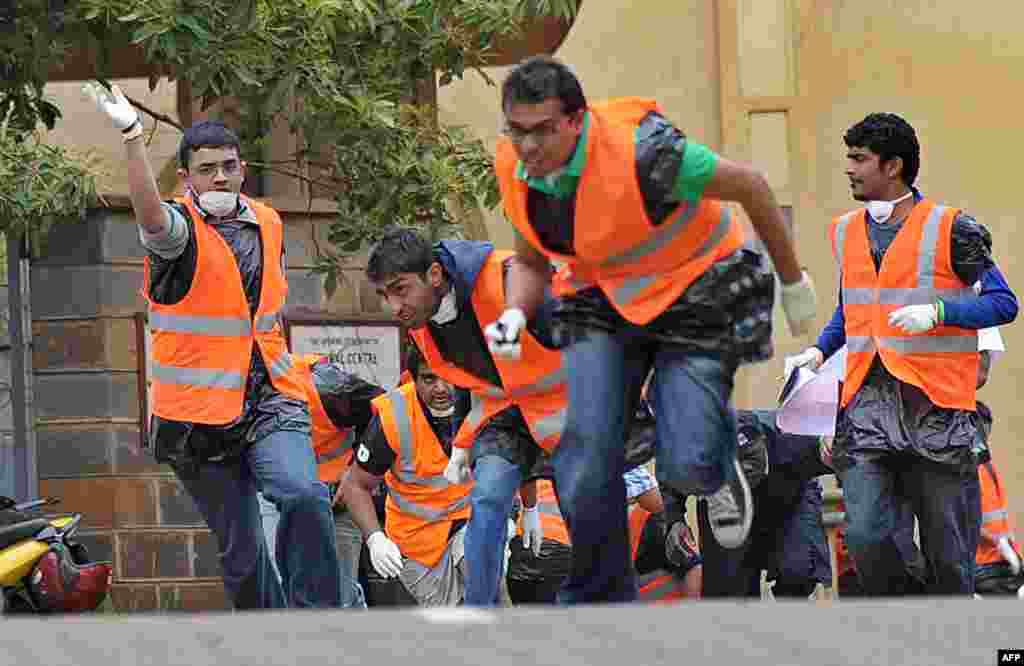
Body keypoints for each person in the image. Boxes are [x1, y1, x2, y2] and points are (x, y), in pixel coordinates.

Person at [486, 55, 817, 604]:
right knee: (585, 457)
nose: (528, 147)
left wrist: (793, 283)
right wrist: (517, 312)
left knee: (685, 459)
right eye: (516, 131)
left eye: (542, 130)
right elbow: (530, 259)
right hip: (607, 301)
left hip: (694, 289)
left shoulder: (649, 155)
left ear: (575, 120)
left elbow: (753, 186)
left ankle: (718, 458)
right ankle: (601, 603)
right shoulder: (518, 169)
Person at [82, 83, 342, 609]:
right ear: (187, 179)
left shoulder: (268, 223)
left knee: (304, 495)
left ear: (243, 168)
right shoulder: (180, 231)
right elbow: (151, 218)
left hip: (269, 396)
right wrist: (134, 138)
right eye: (206, 169)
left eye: (228, 165)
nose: (220, 176)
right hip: (198, 421)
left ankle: (318, 622)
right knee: (242, 556)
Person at [785, 113, 1018, 596]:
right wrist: (817, 350)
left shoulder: (953, 229)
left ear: (893, 166)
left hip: (936, 410)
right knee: (867, 538)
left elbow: (1003, 303)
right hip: (868, 407)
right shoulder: (845, 231)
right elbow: (851, 310)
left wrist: (939, 311)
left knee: (949, 557)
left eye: (858, 159)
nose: (848, 169)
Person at [364, 228, 559, 606]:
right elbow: (464, 381)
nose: (393, 307)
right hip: (506, 417)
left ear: (435, 275)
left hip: (566, 403)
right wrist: (461, 444)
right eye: (384, 295)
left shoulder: (506, 279)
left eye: (400, 289)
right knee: (487, 499)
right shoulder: (422, 330)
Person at [340, 346, 474, 606]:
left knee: (488, 583)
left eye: (447, 376)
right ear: (413, 379)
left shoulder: (479, 399)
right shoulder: (394, 416)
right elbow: (355, 485)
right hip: (417, 541)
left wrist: (521, 509)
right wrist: (375, 538)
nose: (441, 388)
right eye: (429, 378)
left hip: (469, 520)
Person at [258, 354, 385, 608]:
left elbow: (384, 411)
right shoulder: (236, 396)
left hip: (337, 501)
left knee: (340, 593)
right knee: (280, 580)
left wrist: (356, 471)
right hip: (277, 498)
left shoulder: (327, 387)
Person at [697, 410, 833, 599]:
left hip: (791, 498)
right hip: (731, 506)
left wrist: (835, 445)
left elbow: (843, 454)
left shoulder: (794, 442)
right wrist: (675, 519)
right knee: (729, 587)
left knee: (796, 569)